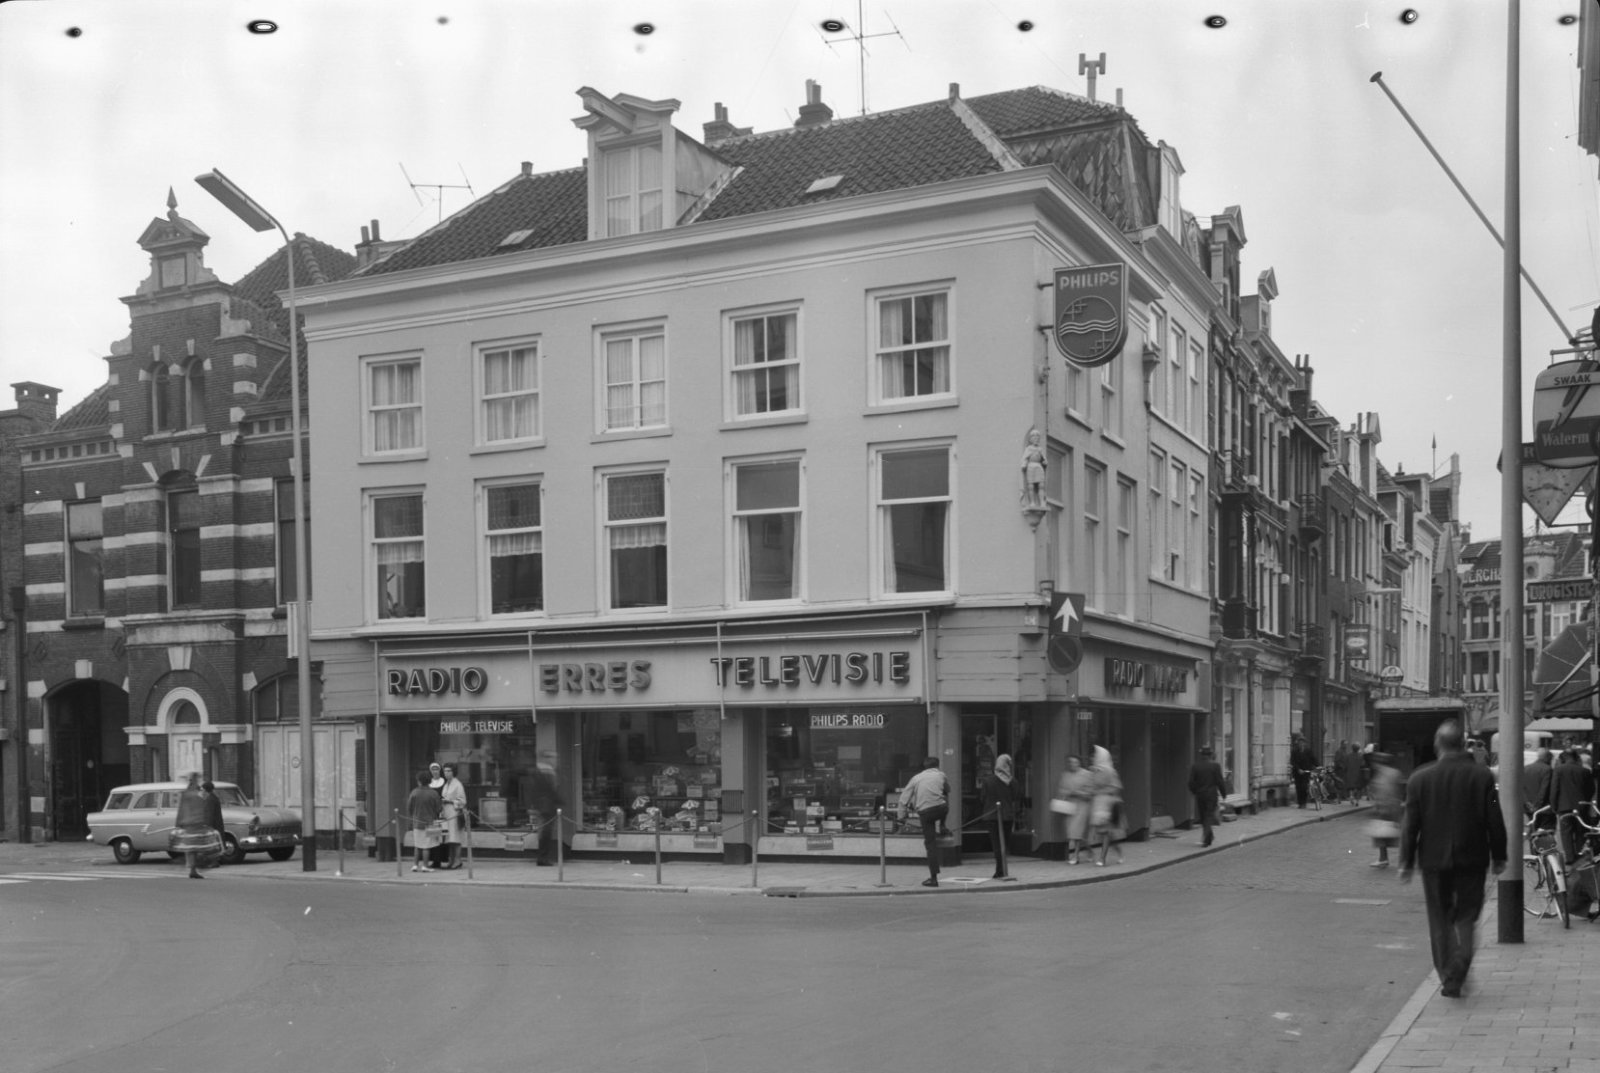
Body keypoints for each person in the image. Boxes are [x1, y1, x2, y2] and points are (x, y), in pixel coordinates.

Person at [1398, 720, 1508, 999]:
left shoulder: (1419, 779)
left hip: (1434, 861)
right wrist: (1499, 855)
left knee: (1440, 919)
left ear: (1438, 744)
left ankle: (1450, 975)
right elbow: (1494, 816)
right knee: (1466, 917)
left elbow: (1410, 824)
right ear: (1462, 744)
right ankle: (1461, 964)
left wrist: (1406, 861)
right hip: (1473, 859)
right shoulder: (1482, 777)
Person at [896, 757, 951, 887]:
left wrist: (901, 817)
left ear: (924, 767)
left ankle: (933, 878)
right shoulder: (941, 775)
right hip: (941, 810)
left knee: (930, 845)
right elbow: (948, 790)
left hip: (925, 813)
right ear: (937, 766)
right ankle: (942, 825)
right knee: (945, 800)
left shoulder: (916, 778)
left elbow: (904, 798)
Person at [1549, 747, 1598, 866]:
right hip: (1581, 806)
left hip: (1563, 807)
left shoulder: (1559, 770)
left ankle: (1570, 857)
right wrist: (1584, 800)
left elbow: (1554, 789)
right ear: (1576, 758)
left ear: (1564, 758)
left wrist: (1554, 806)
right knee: (1581, 831)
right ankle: (1580, 856)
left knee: (1566, 832)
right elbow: (1591, 789)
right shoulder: (1585, 771)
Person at [171, 772, 222, 879]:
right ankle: (195, 868)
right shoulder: (194, 794)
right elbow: (203, 805)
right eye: (197, 779)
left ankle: (193, 868)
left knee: (193, 848)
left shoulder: (188, 794)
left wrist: (179, 823)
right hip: (194, 824)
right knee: (197, 847)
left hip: (192, 823)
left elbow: (183, 809)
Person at [977, 754, 1016, 879]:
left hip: (992, 816)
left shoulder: (988, 781)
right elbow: (1016, 797)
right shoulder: (1012, 781)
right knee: (1005, 843)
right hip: (1007, 816)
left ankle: (1000, 870)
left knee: (996, 844)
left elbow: (982, 798)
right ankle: (1002, 869)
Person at [1088, 745, 1124, 867]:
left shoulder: (1110, 771)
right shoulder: (1093, 771)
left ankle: (1102, 859)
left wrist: (1099, 791)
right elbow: (1091, 787)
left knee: (1105, 832)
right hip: (1097, 804)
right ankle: (1119, 851)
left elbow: (1117, 788)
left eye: (1095, 755)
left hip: (1108, 803)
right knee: (1102, 833)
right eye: (1092, 756)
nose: (1093, 758)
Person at [526, 751, 565, 866]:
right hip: (546, 806)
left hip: (542, 805)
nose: (556, 760)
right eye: (554, 758)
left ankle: (543, 857)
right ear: (547, 759)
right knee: (546, 831)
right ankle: (543, 858)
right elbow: (549, 789)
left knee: (544, 831)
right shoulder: (547, 771)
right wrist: (559, 800)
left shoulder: (541, 770)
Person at [1055, 755, 1094, 864]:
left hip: (1082, 806)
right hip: (1070, 806)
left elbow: (1090, 793)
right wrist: (1063, 795)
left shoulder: (1087, 774)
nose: (1072, 764)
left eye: (1075, 762)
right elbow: (1061, 790)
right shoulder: (1065, 775)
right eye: (1070, 762)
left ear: (1079, 763)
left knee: (1076, 831)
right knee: (1073, 832)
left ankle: (1075, 856)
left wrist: (1077, 793)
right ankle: (1090, 851)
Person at [1367, 752, 1403, 867]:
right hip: (1392, 806)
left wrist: (1379, 807)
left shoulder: (1383, 774)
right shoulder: (1394, 772)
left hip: (1385, 808)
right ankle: (1385, 858)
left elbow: (1385, 791)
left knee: (1381, 834)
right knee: (1387, 834)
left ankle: (1383, 859)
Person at [1187, 745, 1225, 848]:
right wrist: (1224, 794)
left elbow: (1190, 782)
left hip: (1200, 795)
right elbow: (1220, 781)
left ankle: (1209, 838)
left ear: (1201, 755)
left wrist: (1195, 791)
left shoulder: (1195, 766)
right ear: (1211, 755)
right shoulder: (1215, 766)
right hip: (1211, 795)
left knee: (1203, 816)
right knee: (1208, 816)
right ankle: (1206, 838)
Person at [406, 770, 443, 872]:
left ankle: (415, 865)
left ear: (419, 781)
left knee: (417, 845)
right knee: (427, 846)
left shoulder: (414, 792)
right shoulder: (433, 793)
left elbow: (409, 807)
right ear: (429, 781)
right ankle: (425, 866)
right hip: (431, 822)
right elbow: (439, 809)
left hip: (417, 822)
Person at [438, 764, 468, 869]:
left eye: (449, 771)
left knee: (456, 838)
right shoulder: (446, 784)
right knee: (449, 839)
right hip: (447, 814)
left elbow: (463, 801)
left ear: (453, 772)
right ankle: (451, 860)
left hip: (455, 813)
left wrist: (450, 801)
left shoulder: (458, 785)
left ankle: (458, 860)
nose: (446, 773)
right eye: (445, 771)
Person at [1522, 748, 1555, 821]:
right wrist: (1537, 805)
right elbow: (1544, 789)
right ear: (1547, 757)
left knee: (1531, 825)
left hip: (1527, 806)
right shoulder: (1547, 769)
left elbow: (1521, 787)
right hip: (1543, 808)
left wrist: (1526, 802)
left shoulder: (1526, 768)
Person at [1290, 735, 1316, 809]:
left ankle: (1304, 802)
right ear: (1298, 743)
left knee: (1304, 787)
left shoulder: (1308, 751)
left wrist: (1319, 766)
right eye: (1300, 742)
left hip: (1306, 772)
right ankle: (1300, 803)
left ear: (1305, 743)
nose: (1301, 744)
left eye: (1302, 742)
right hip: (1297, 773)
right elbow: (1293, 761)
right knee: (1298, 787)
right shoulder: (1294, 751)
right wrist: (1298, 769)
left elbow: (1313, 759)